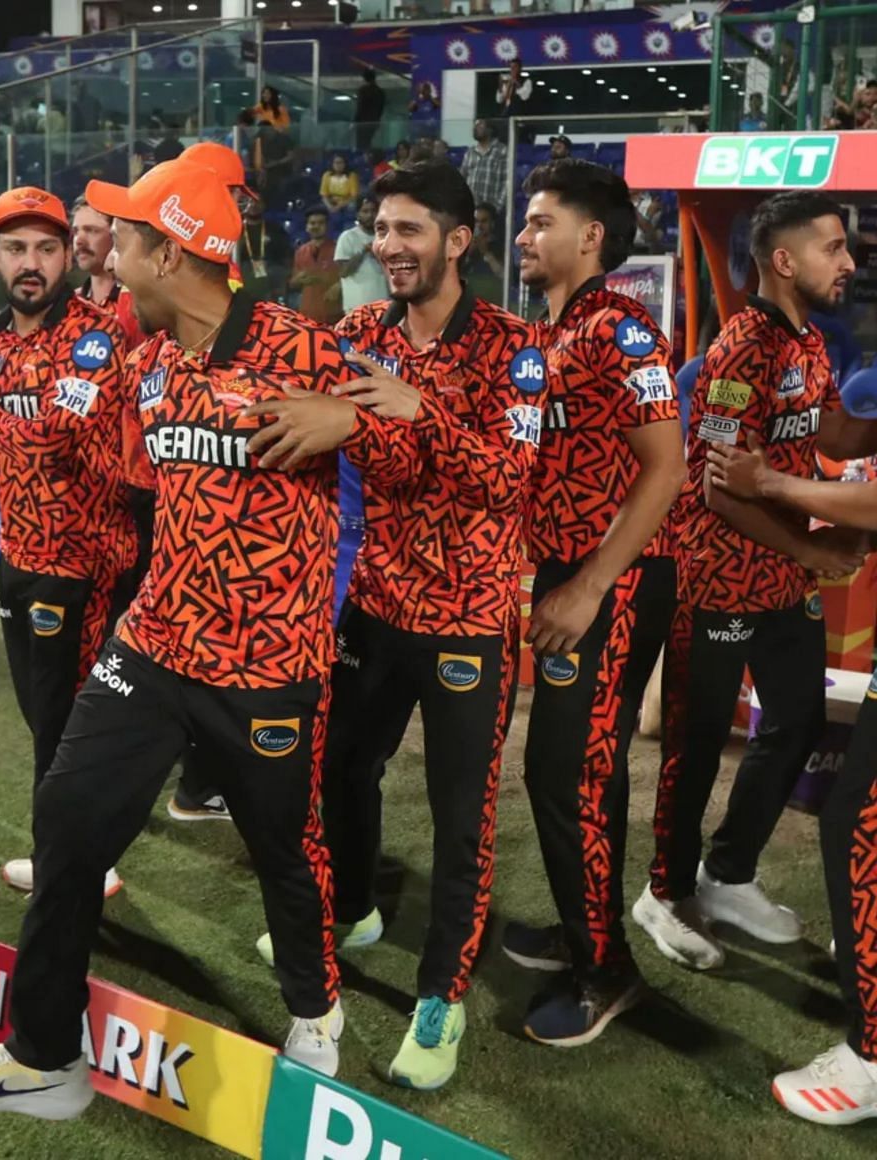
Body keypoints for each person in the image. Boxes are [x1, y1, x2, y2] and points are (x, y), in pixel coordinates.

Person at [0, 158, 418, 1121]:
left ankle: (315, 1010)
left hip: (269, 665)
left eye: (119, 237)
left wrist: (355, 419)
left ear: (168, 249)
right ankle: (43, 1054)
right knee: (68, 822)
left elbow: (420, 453)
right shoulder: (150, 361)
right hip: (153, 643)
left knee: (286, 850)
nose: (100, 252)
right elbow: (115, 466)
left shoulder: (300, 349)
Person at [276, 160, 542, 1091]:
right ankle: (353, 908)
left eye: (408, 231)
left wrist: (420, 408)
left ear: (457, 241)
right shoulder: (356, 334)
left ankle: (442, 997)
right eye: (381, 229)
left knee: (459, 817)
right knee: (341, 763)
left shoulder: (515, 348)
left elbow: (509, 481)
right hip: (374, 606)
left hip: (469, 619)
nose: (388, 246)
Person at [639, 193, 867, 979]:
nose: (848, 262)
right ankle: (663, 894)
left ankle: (729, 873)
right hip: (718, 583)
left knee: (796, 725)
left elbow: (831, 431)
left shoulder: (809, 339)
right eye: (833, 248)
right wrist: (810, 555)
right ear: (783, 260)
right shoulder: (742, 350)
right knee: (696, 748)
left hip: (781, 581)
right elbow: (718, 490)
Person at [506, 159, 685, 1046]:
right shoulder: (549, 331)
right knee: (581, 767)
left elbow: (669, 468)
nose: (524, 235)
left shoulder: (624, 333)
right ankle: (589, 929)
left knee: (566, 768)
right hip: (570, 574)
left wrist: (587, 584)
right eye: (526, 221)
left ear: (591, 238)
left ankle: (606, 971)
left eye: (541, 222)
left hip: (610, 580)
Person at [0, 187, 136, 896]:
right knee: (42, 721)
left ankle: (76, 862)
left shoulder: (97, 338)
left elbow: (57, 436)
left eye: (47, 248)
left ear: (70, 255)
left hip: (82, 564)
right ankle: (74, 851)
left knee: (65, 724)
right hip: (15, 562)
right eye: (17, 248)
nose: (33, 263)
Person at [703, 366, 877, 1128]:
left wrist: (769, 480)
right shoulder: (753, 356)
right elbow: (845, 444)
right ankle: (707, 879)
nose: (849, 263)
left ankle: (871, 1056)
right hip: (734, 588)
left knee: (858, 824)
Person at [68, 196, 147, 348]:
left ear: (115, 235)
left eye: (91, 230)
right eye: (76, 231)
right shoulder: (70, 303)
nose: (79, 240)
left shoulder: (137, 303)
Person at [292, 208, 342, 325]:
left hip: (333, 314)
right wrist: (298, 279)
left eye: (320, 223)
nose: (316, 226)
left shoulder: (338, 249)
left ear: (328, 226)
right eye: (312, 223)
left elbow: (347, 277)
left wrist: (338, 285)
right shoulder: (300, 251)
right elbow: (293, 283)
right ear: (306, 227)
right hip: (307, 314)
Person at [335, 195, 384, 314]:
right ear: (358, 214)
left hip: (384, 305)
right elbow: (344, 272)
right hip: (356, 307)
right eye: (365, 211)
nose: (370, 215)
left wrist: (377, 255)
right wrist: (363, 252)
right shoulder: (347, 237)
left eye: (373, 211)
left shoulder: (386, 236)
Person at [460, 120, 507, 225]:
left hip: (492, 210)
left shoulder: (502, 150)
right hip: (471, 209)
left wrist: (498, 206)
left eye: (480, 125)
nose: (475, 128)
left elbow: (507, 181)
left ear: (490, 129)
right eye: (475, 126)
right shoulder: (470, 152)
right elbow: (462, 179)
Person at [355, 67, 385, 154]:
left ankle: (363, 157)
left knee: (362, 143)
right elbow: (381, 109)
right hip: (374, 121)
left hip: (363, 122)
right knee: (370, 141)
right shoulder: (380, 91)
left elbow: (360, 107)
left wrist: (355, 121)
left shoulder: (363, 90)